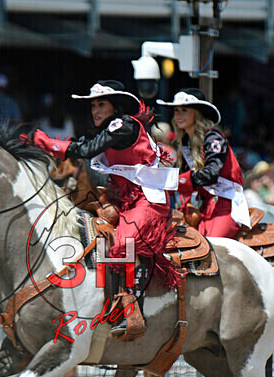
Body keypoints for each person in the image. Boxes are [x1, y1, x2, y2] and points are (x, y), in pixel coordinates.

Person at [25, 80, 180, 340]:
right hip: (122, 199)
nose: (95, 110)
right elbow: (80, 144)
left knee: (125, 242)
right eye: (93, 105)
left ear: (114, 107)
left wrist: (47, 143)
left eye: (101, 105)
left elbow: (85, 151)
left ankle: (133, 311)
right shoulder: (109, 128)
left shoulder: (123, 126)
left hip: (147, 200)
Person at [157, 88, 250, 238]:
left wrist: (179, 180)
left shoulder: (213, 137)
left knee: (213, 246)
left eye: (184, 110)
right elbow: (178, 176)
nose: (178, 115)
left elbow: (212, 173)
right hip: (203, 206)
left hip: (225, 205)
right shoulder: (185, 142)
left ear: (197, 113)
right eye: (176, 111)